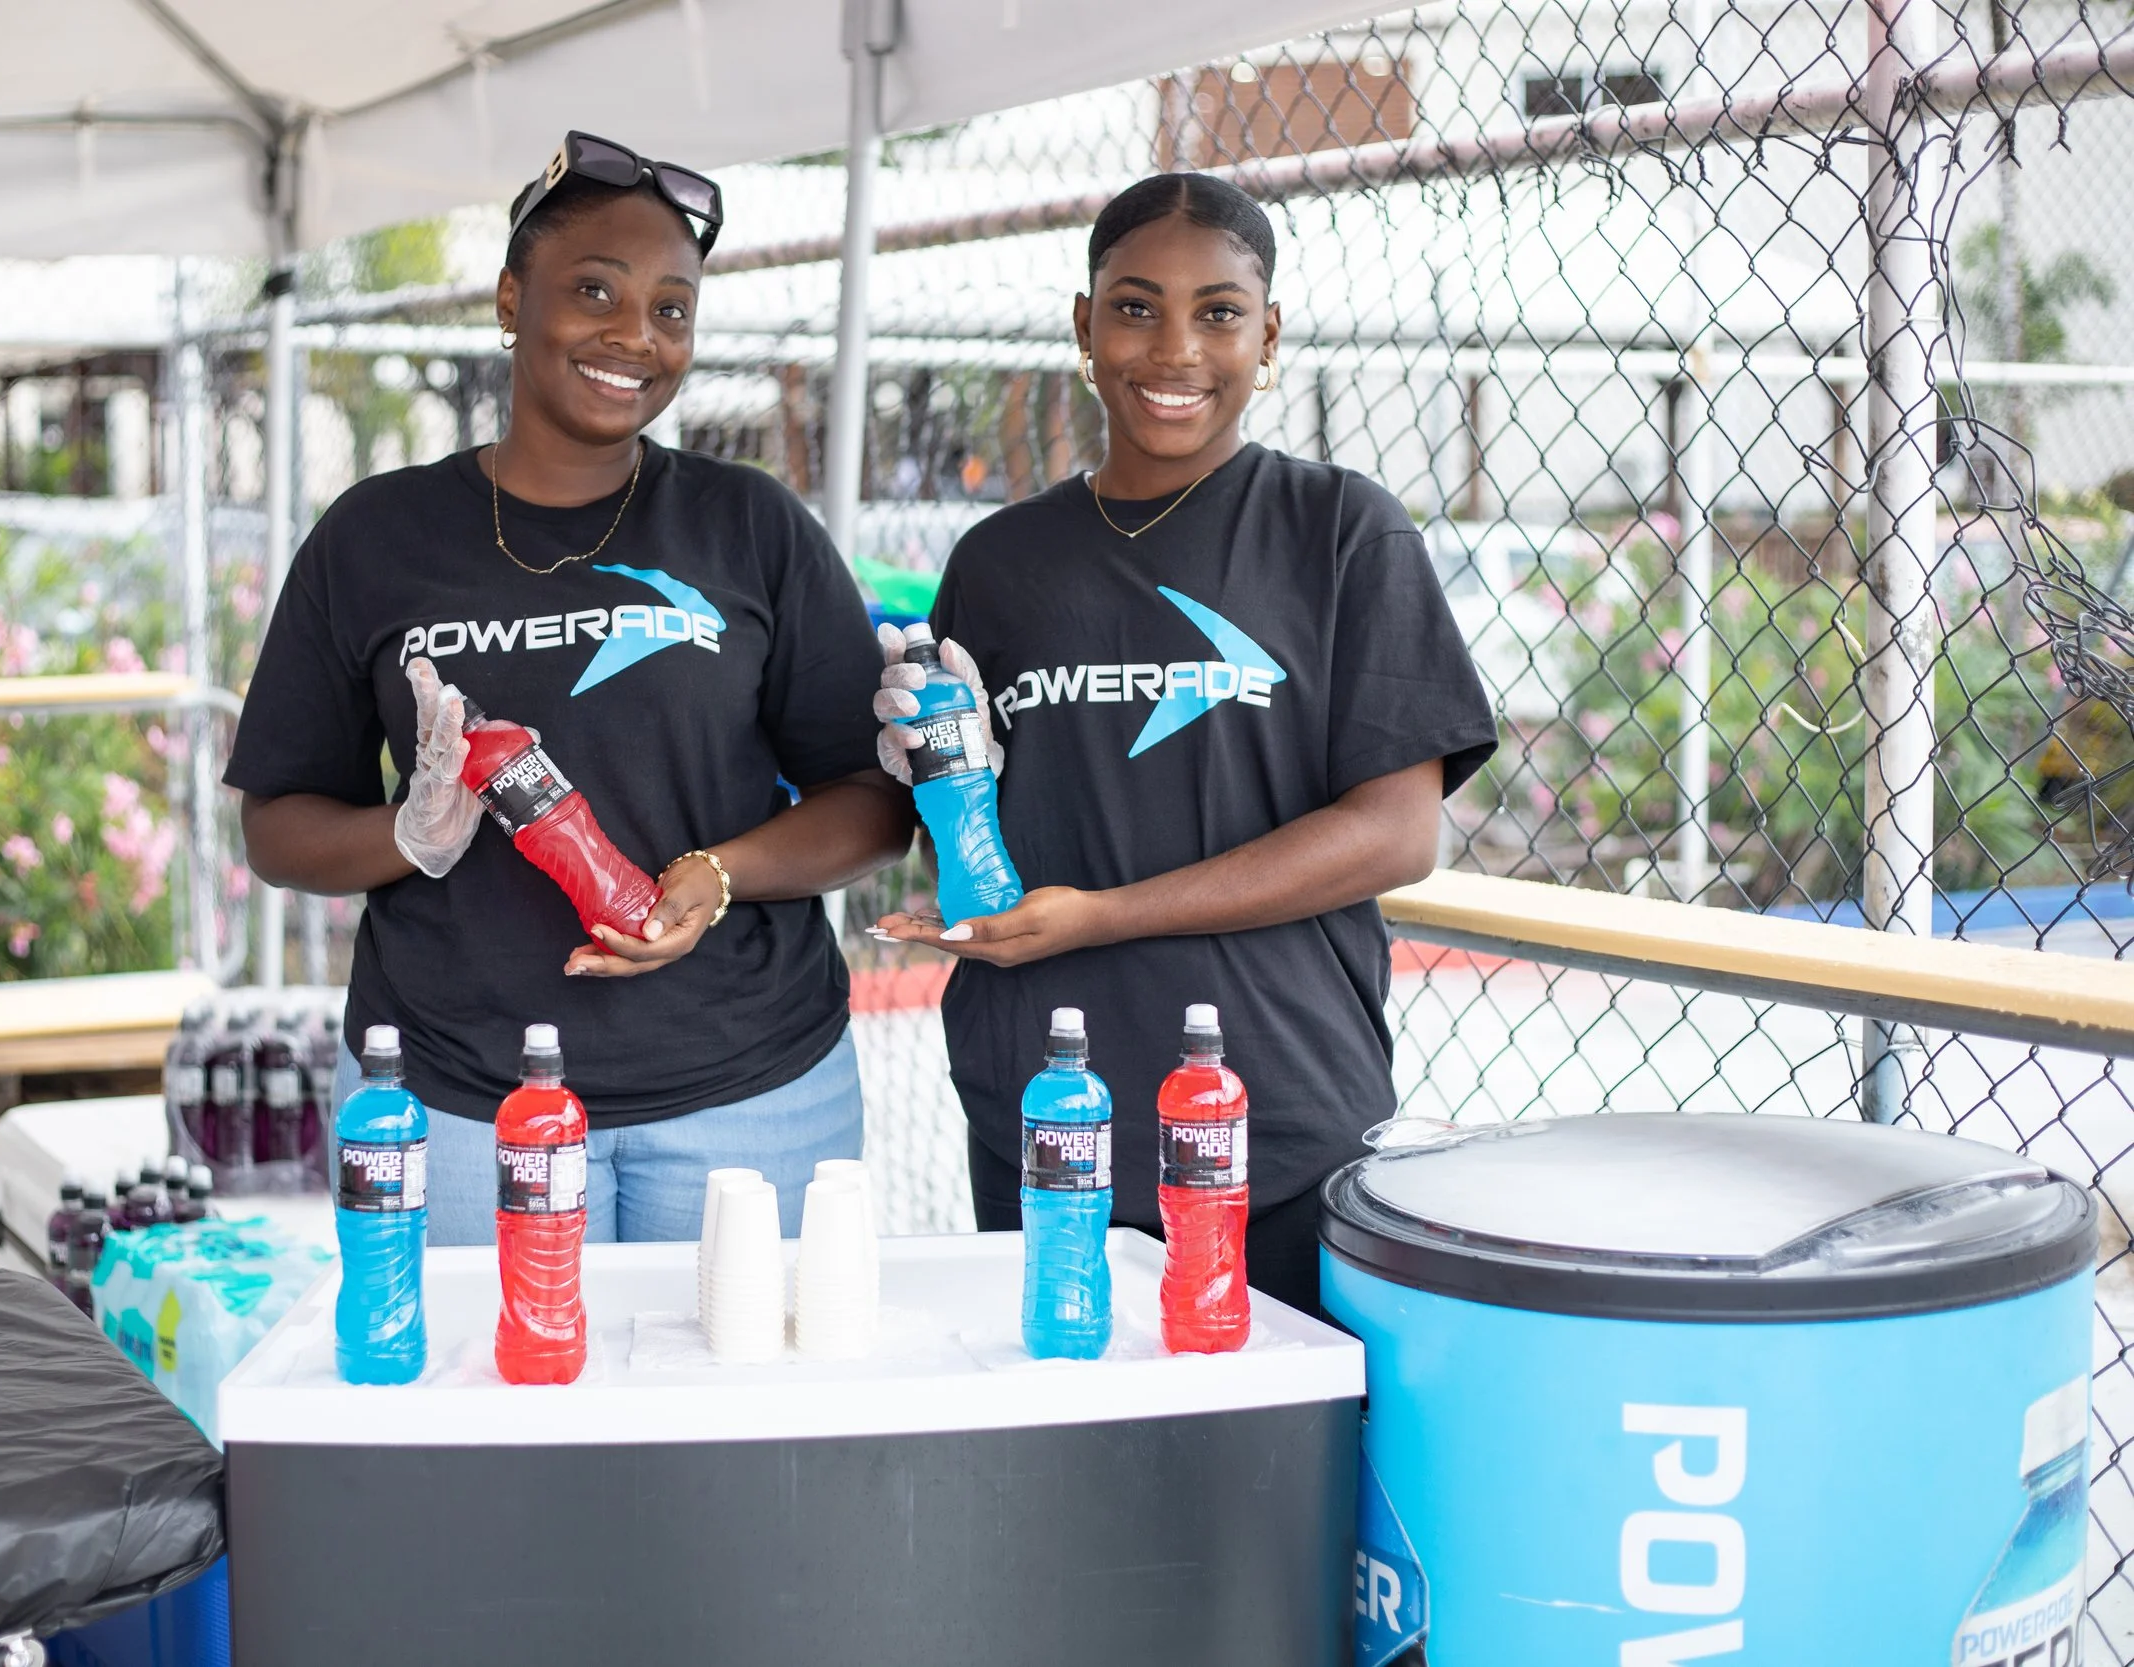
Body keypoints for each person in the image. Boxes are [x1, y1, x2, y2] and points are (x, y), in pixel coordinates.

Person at [230, 132, 911, 1245]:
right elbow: (277, 825)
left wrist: (714, 873)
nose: (634, 335)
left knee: (738, 1413)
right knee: (484, 1409)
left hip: (750, 1093)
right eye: (593, 290)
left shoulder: (750, 523)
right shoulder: (376, 535)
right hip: (457, 1103)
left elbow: (872, 800)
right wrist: (415, 833)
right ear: (511, 297)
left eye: (671, 309)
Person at [874, 173, 1498, 1317]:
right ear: (1083, 325)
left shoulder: (1340, 528)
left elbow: (1395, 832)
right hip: (1046, 1109)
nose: (1174, 349)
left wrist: (1108, 913)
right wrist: (921, 782)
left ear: (1268, 335)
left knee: (1268, 1478)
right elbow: (973, 812)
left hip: (1277, 1118)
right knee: (1061, 1458)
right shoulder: (1001, 562)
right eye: (1134, 307)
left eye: (1217, 312)